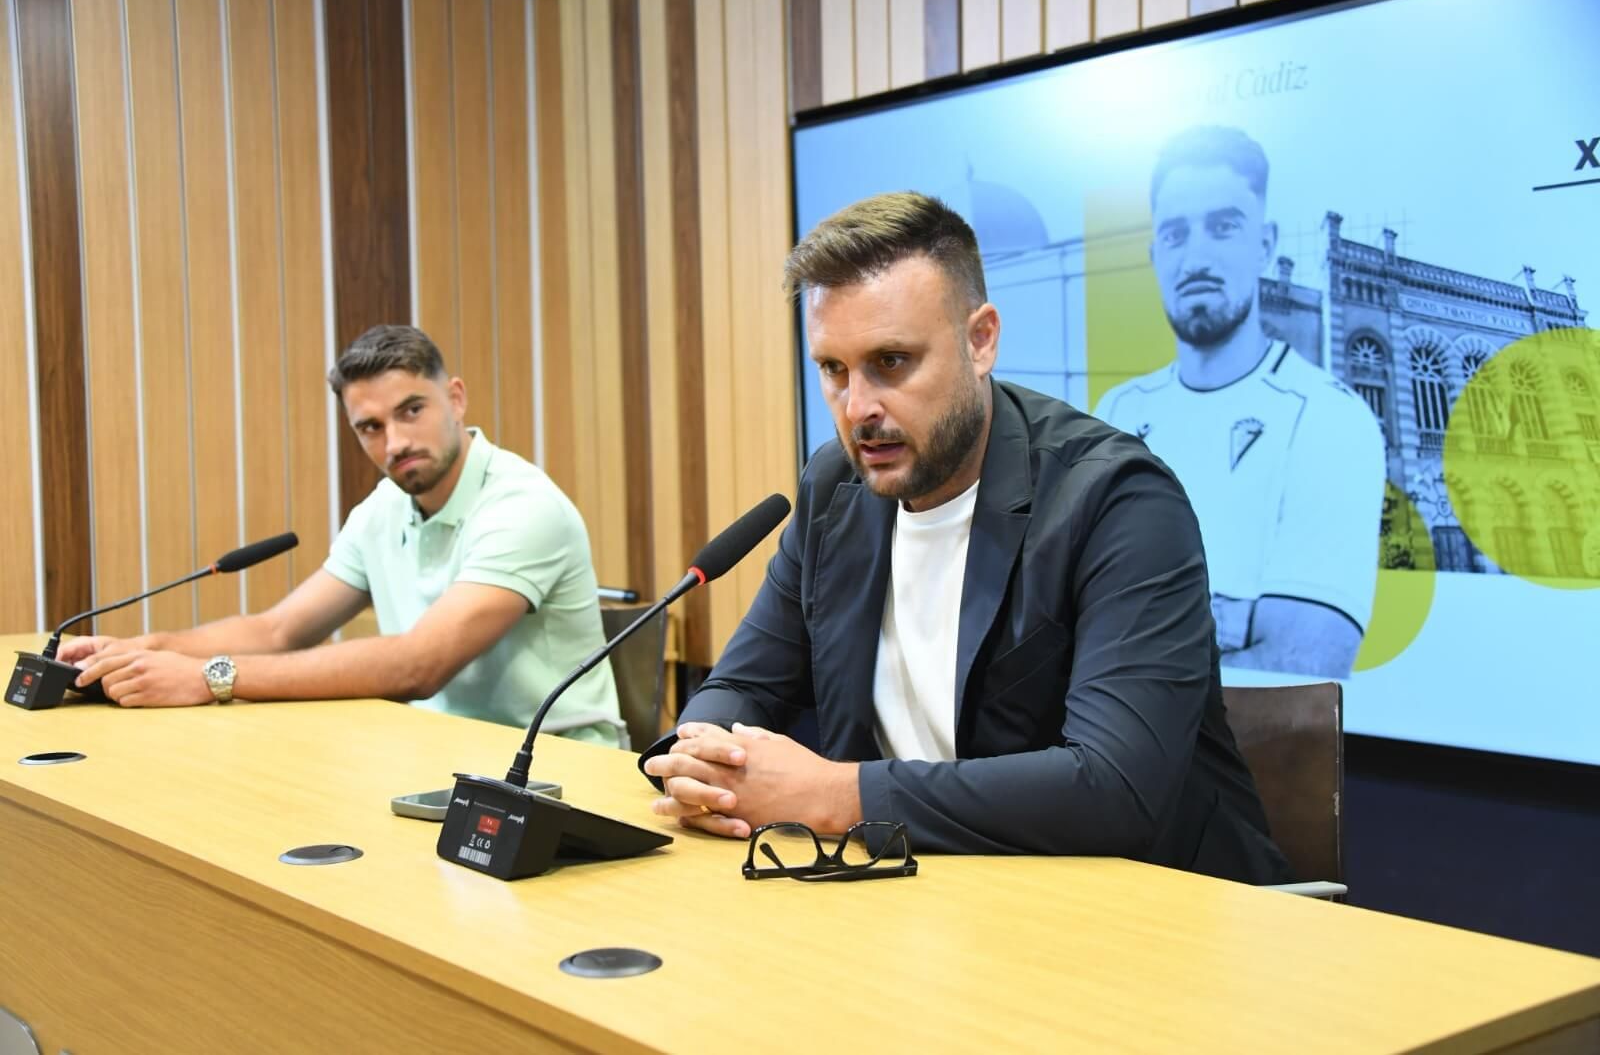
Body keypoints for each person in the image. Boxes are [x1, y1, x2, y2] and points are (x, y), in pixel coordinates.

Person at [640, 192, 1292, 883]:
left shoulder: (1117, 499)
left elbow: (1116, 791)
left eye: (891, 362)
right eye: (833, 370)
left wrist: (830, 794)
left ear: (980, 341)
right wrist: (701, 763)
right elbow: (742, 684)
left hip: (1144, 918)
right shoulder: (836, 488)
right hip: (925, 899)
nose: (858, 409)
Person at [61, 325, 622, 745]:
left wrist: (211, 677)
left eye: (411, 411)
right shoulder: (385, 506)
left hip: (554, 770)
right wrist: (140, 650)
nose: (395, 442)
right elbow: (279, 630)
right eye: (371, 427)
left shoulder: (523, 506)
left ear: (455, 399)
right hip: (437, 754)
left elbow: (418, 666)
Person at [1094, 125, 1385, 678]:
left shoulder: (1329, 417)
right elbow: (1058, 625)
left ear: (1266, 245)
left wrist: (1130, 625)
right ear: (1156, 255)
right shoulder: (1116, 413)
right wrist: (1236, 617)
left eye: (1223, 227)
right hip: (1104, 764)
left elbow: (1301, 663)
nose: (1196, 257)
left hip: (1246, 768)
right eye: (1177, 235)